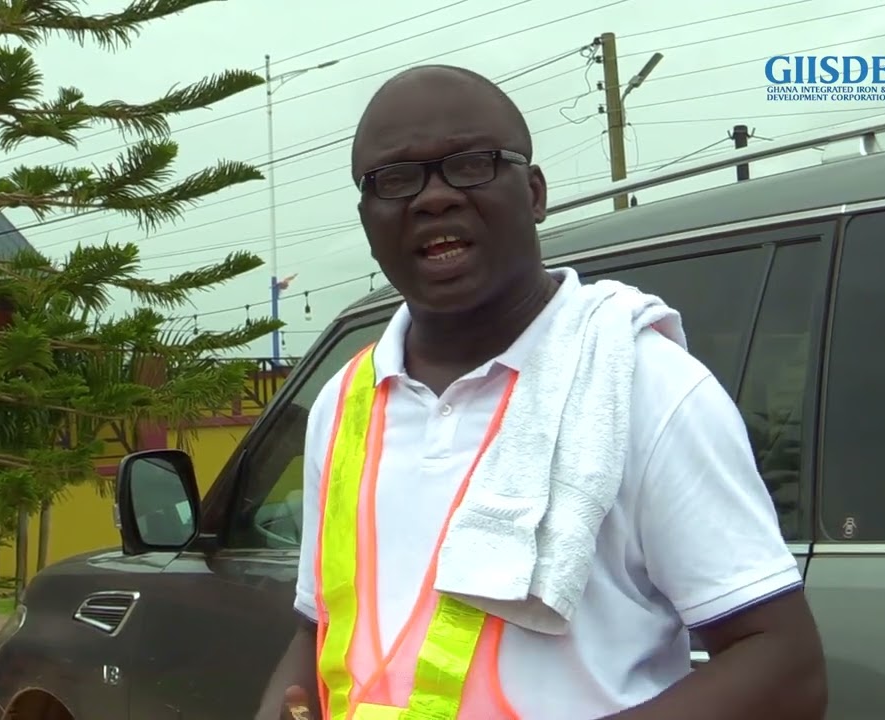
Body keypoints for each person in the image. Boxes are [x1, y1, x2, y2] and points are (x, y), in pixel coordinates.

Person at [258, 64, 827, 720]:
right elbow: (318, 628)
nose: (434, 198)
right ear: (367, 217)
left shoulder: (647, 385)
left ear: (533, 193)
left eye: (470, 165)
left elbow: (784, 668)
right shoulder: (345, 401)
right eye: (396, 178)